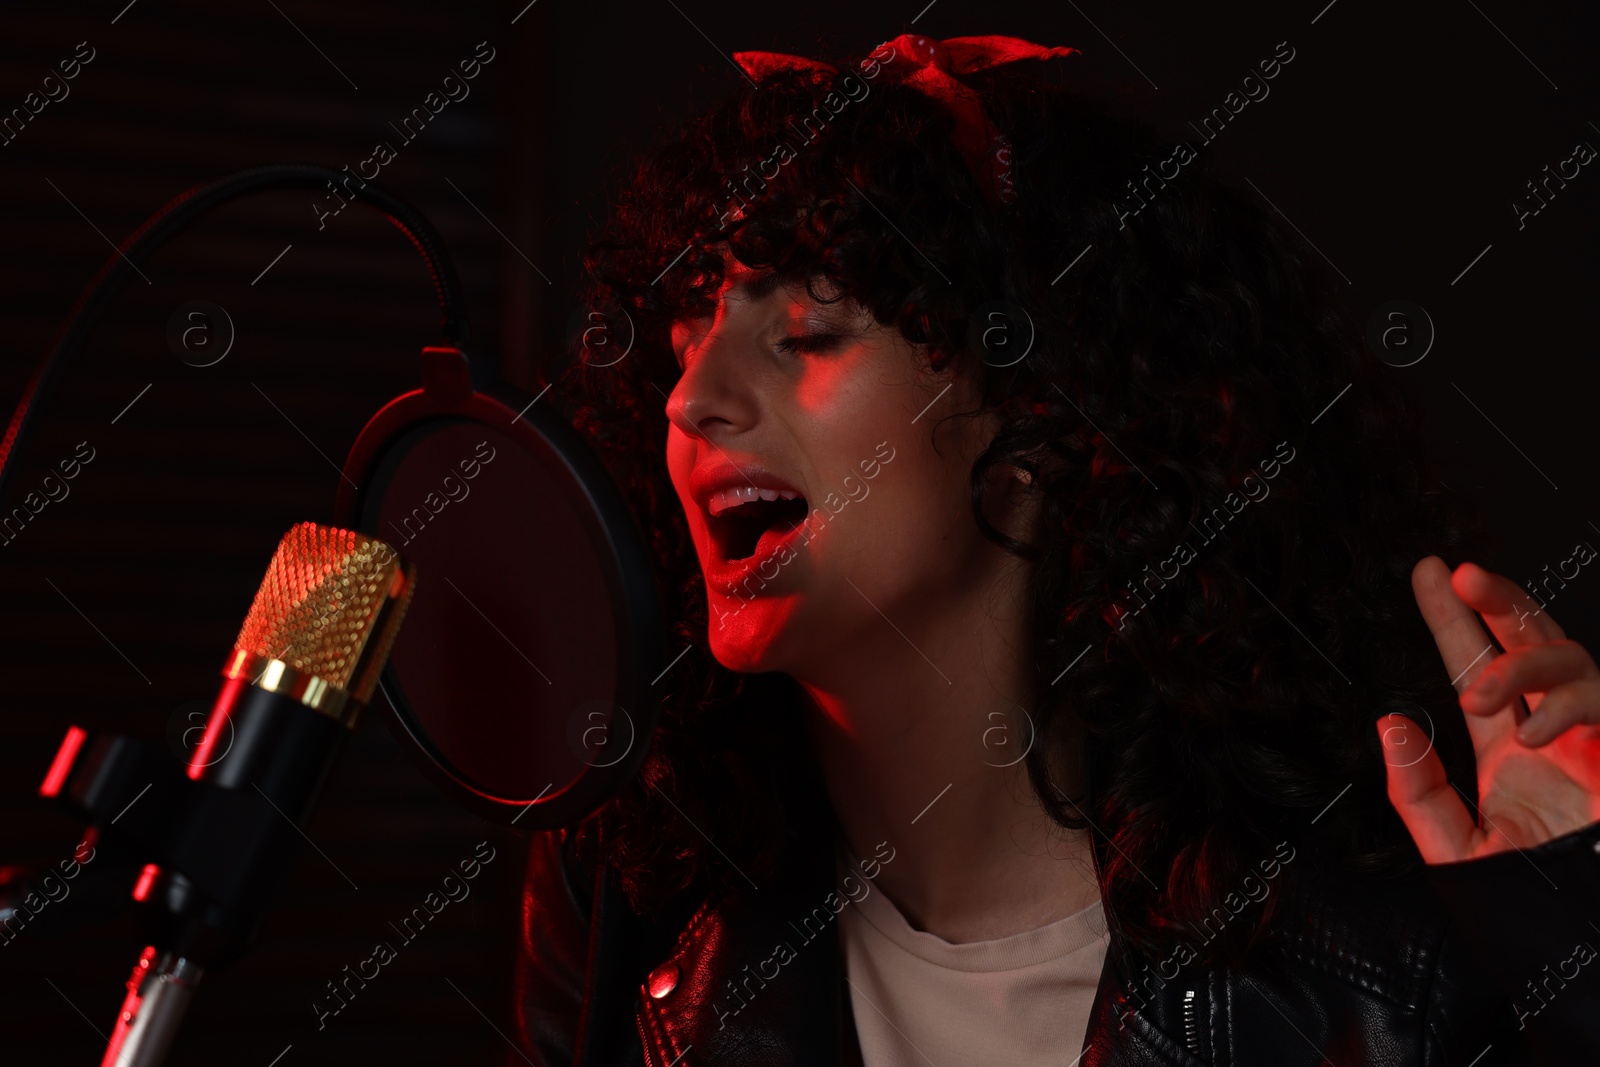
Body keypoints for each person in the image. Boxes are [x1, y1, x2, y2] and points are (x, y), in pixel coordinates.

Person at [513, 33, 1600, 1066]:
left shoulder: (1376, 956)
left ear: (1036, 411)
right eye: (682, 340)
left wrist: (1571, 963)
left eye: (804, 335)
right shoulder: (626, 902)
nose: (692, 400)